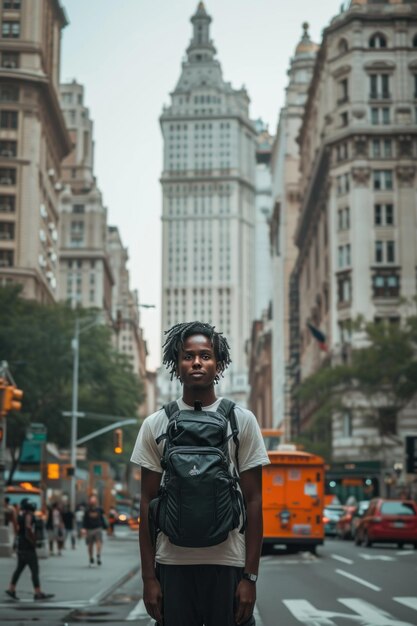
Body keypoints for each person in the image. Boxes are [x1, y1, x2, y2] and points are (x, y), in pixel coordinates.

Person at [131, 321, 270, 626]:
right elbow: (146, 504)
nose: (196, 362)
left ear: (218, 364)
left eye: (205, 356)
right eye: (188, 356)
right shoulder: (155, 424)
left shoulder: (241, 421)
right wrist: (148, 578)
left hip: (228, 565)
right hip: (172, 565)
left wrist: (250, 577)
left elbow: (255, 501)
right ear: (175, 364)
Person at [5, 498, 54, 601]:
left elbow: (18, 530)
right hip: (28, 547)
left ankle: (11, 589)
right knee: (34, 569)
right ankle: (38, 592)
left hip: (21, 546)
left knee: (19, 569)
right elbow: (28, 528)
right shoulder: (29, 515)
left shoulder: (21, 515)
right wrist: (33, 540)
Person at [82, 495, 107, 566]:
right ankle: (91, 557)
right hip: (90, 528)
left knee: (98, 542)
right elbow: (85, 520)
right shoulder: (87, 510)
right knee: (90, 544)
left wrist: (104, 526)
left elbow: (103, 518)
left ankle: (97, 555)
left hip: (97, 528)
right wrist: (84, 528)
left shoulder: (99, 509)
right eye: (91, 500)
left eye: (94, 500)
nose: (92, 501)